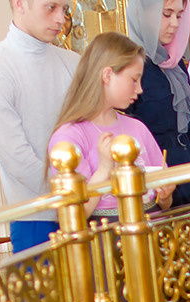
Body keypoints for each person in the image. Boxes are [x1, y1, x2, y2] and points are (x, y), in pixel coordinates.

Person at [0, 0, 79, 253]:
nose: (60, 19)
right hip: (36, 216)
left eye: (64, 9)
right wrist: (75, 191)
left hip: (85, 207)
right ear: (20, 4)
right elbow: (18, 160)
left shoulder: (74, 63)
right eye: (50, 7)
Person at [49, 32, 175, 219]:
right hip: (106, 232)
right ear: (107, 75)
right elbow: (75, 214)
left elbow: (163, 201)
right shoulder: (69, 137)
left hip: (152, 226)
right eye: (134, 80)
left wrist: (165, 195)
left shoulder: (137, 127)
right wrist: (104, 168)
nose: (140, 89)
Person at [124, 0, 190, 206]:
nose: (174, 23)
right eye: (166, 14)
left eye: (179, 16)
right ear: (142, 14)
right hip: (157, 183)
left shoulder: (174, 62)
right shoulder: (128, 65)